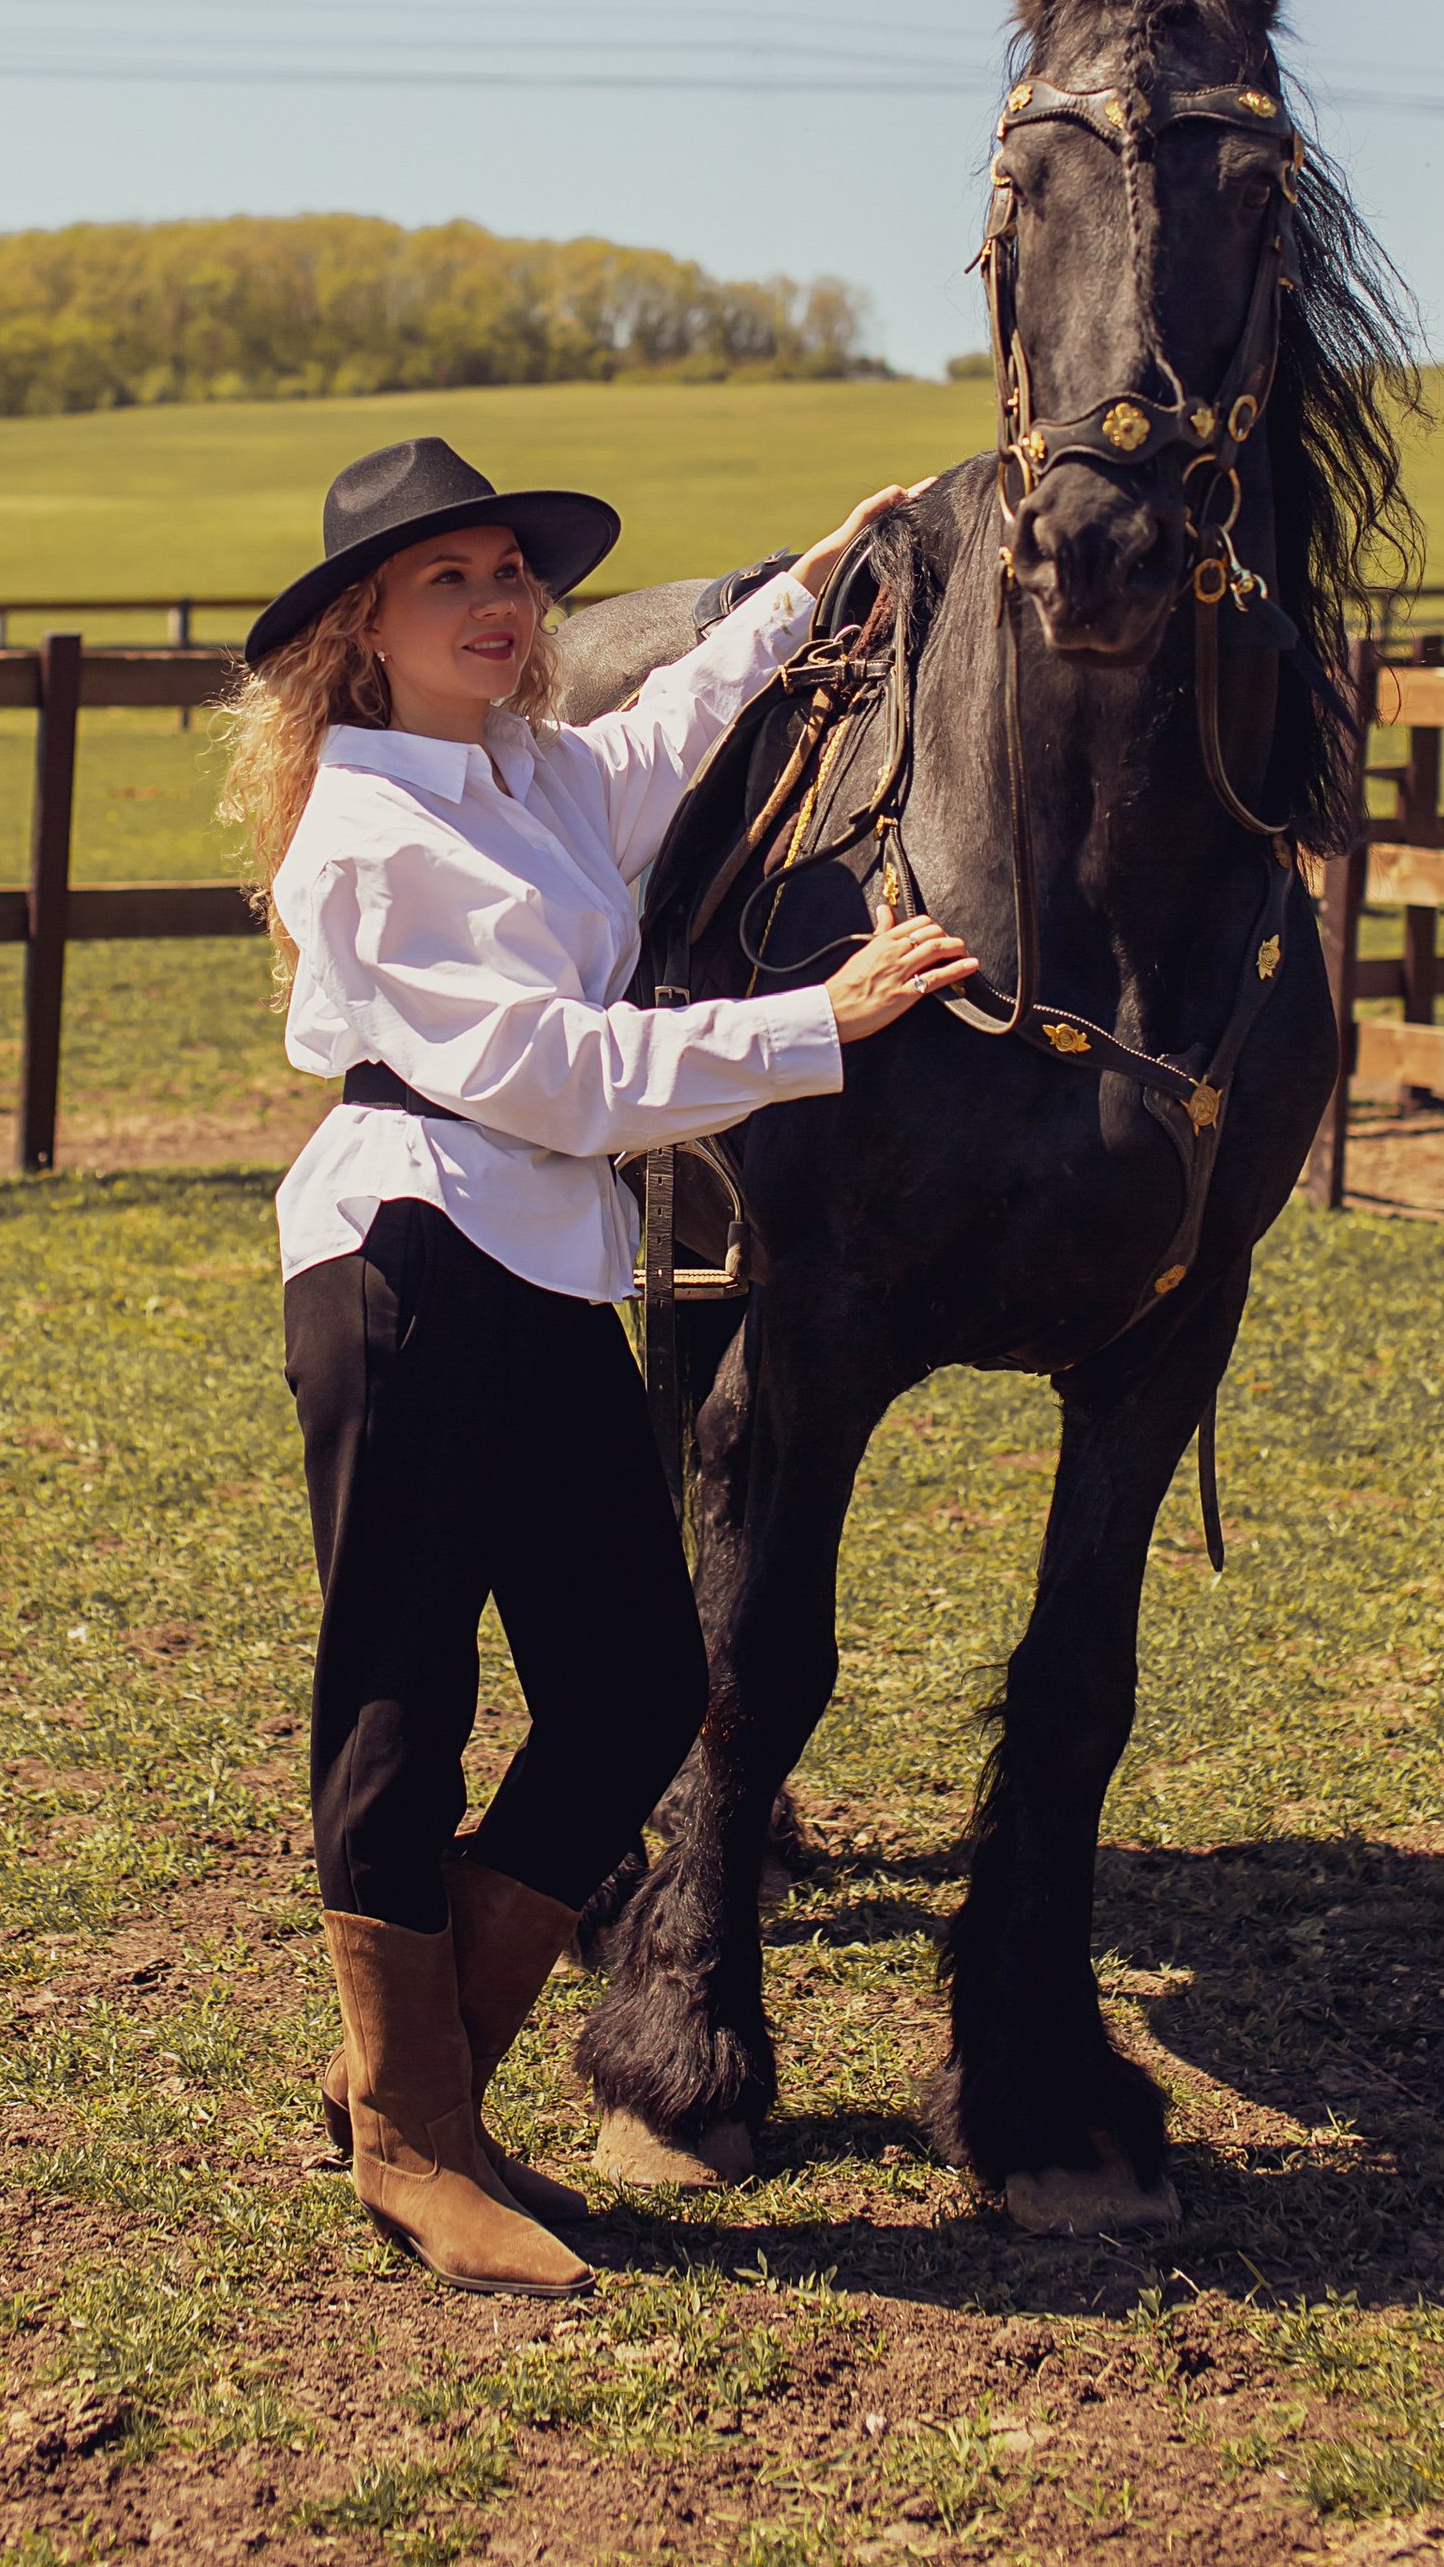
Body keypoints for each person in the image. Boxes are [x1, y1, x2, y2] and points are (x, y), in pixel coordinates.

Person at [219, 434, 976, 2296]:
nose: (498, 608)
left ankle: (421, 2086)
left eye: (510, 577)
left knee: (637, 1685)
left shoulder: (534, 775)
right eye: (447, 583)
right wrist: (825, 1020)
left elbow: (667, 743)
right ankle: (413, 2135)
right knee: (399, 1691)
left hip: (544, 1260)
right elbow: (556, 1072)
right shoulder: (372, 827)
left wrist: (804, 587)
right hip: (409, 1252)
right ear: (359, 639)